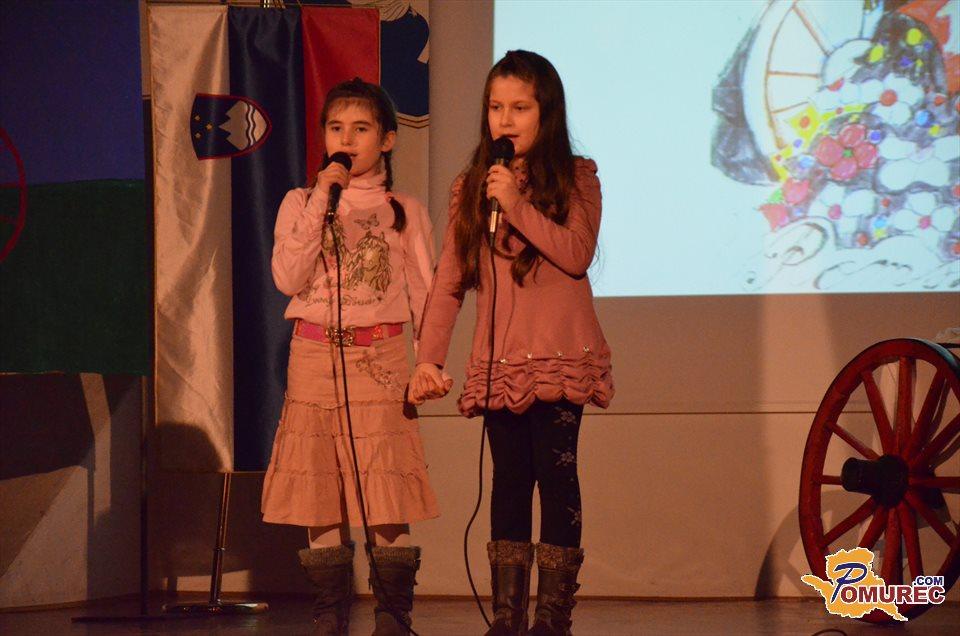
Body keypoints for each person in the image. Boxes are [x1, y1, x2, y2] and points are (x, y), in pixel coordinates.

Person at [409, 50, 614, 636]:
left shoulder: (576, 178)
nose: (505, 118)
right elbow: (449, 282)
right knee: (508, 484)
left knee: (557, 479)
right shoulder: (471, 189)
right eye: (496, 107)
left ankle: (552, 619)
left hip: (560, 358)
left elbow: (576, 254)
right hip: (501, 364)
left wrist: (517, 205)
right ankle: (507, 617)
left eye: (520, 107)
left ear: (546, 112)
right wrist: (428, 359)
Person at [261, 78, 438, 636]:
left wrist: (428, 361)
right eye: (336, 128)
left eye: (361, 129)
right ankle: (328, 615)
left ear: (386, 139)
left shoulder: (404, 210)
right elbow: (287, 277)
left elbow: (427, 294)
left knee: (385, 491)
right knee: (318, 489)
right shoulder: (300, 202)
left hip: (379, 359)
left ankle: (392, 616)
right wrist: (321, 197)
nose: (347, 139)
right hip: (312, 355)